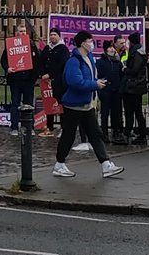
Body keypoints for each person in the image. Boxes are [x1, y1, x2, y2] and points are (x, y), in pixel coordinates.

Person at [51, 32, 122, 179]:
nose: (92, 43)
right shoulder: (73, 61)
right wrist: (94, 85)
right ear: (83, 43)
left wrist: (97, 82)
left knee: (95, 134)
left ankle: (106, 164)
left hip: (87, 105)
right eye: (90, 41)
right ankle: (59, 164)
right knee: (68, 136)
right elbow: (75, 82)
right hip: (74, 105)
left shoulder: (88, 58)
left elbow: (90, 77)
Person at [121, 36, 149, 146]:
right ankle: (132, 133)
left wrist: (125, 69)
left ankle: (138, 135)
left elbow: (134, 70)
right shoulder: (139, 52)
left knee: (133, 111)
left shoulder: (136, 53)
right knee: (135, 111)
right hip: (136, 86)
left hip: (133, 86)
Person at [96, 37, 125, 144]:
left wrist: (119, 87)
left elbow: (121, 75)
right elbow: (98, 76)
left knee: (116, 113)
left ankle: (116, 132)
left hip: (116, 91)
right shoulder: (100, 62)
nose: (112, 50)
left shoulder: (117, 62)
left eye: (113, 48)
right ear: (105, 50)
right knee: (105, 113)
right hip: (105, 91)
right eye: (110, 48)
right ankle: (104, 133)